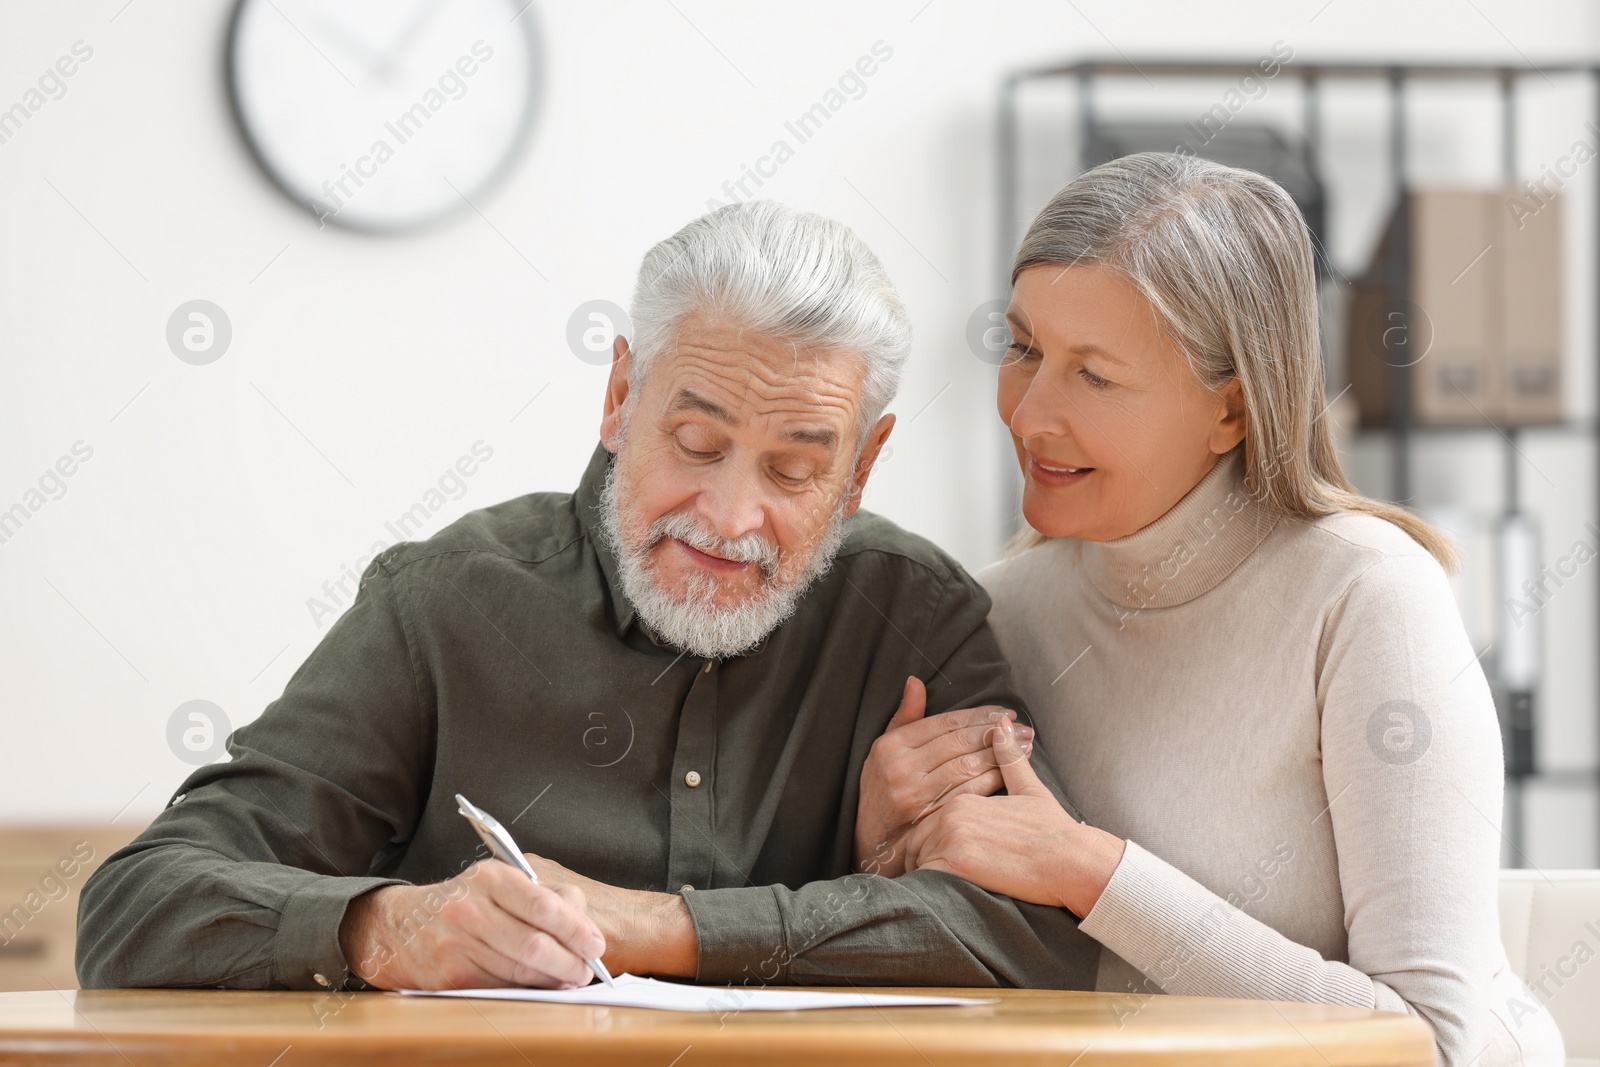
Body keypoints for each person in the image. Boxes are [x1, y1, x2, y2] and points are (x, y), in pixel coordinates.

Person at [75, 199, 1099, 994]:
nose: (731, 517)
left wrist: (657, 925)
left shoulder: (914, 614)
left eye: (792, 471)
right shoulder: (446, 601)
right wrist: (389, 928)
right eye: (696, 445)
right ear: (619, 398)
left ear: (861, 467)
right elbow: (136, 904)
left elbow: (1038, 936)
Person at [855, 153, 1565, 1066]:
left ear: (1230, 410)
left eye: (1095, 376)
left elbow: (1428, 1041)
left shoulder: (1366, 598)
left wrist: (1088, 869)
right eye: (1023, 347)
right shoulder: (998, 612)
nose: (1029, 414)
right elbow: (1015, 986)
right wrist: (886, 852)